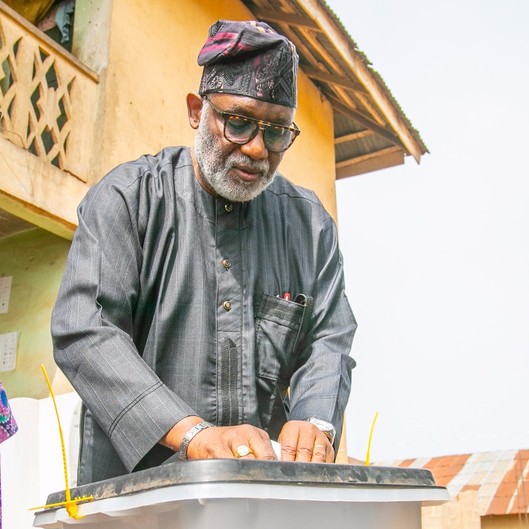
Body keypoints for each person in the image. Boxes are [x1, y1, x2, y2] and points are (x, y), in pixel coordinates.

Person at [51, 19, 357, 485]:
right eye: (239, 123)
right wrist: (190, 433)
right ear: (197, 111)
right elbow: (84, 329)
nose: (257, 149)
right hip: (138, 500)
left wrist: (315, 422)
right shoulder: (128, 200)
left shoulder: (309, 226)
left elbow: (329, 337)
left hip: (263, 496)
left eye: (277, 132)